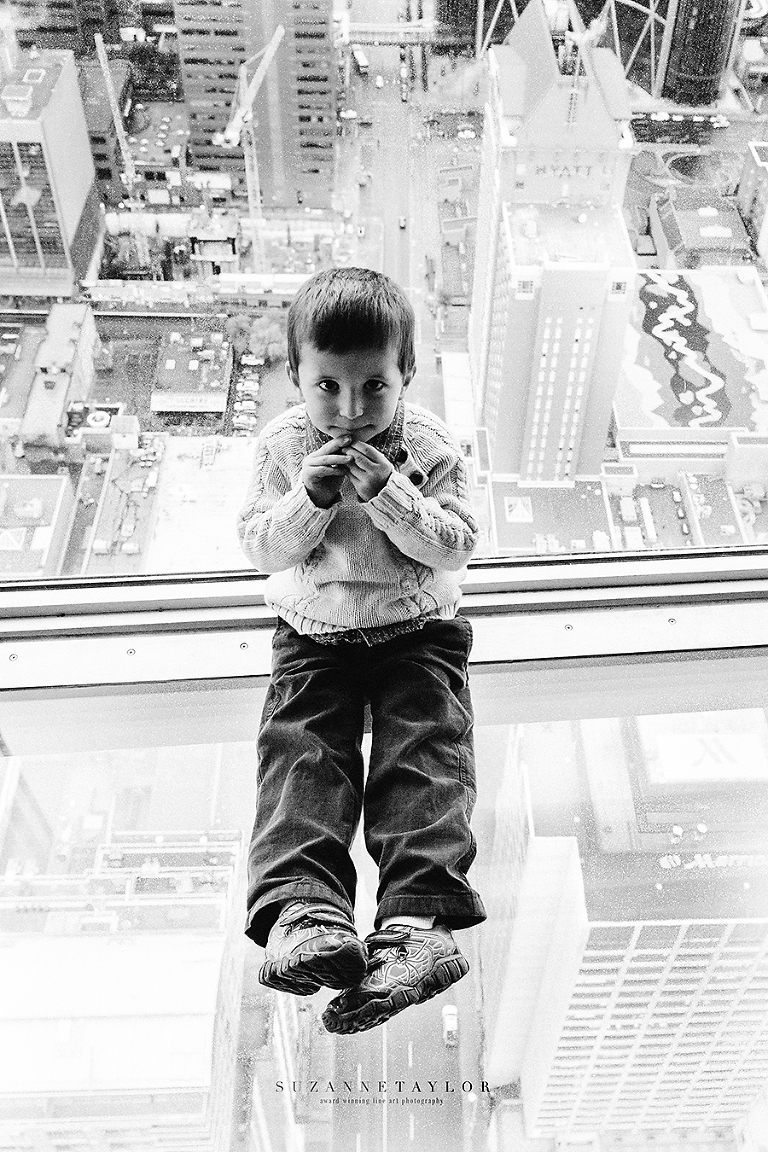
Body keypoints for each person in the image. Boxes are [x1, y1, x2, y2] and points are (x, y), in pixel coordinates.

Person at [237, 266, 485, 1035]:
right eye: (329, 388)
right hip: (315, 630)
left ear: (406, 374)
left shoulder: (433, 445)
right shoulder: (282, 448)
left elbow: (455, 547)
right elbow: (260, 547)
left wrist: (390, 494)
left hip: (417, 628)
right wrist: (307, 497)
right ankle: (306, 914)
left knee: (426, 754)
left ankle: (417, 930)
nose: (351, 411)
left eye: (375, 387)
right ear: (296, 377)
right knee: (303, 755)